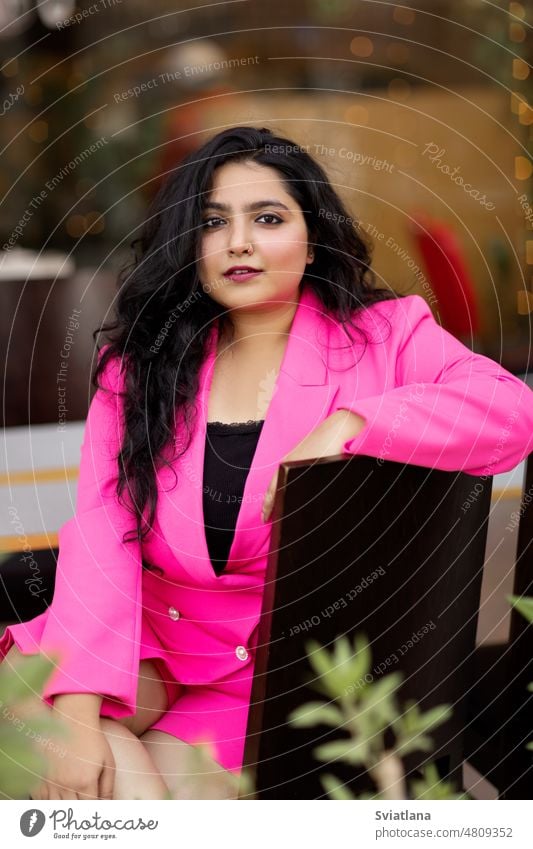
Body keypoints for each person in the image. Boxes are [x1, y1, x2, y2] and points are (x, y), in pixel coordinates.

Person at [2, 125, 533, 801]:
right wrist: (77, 716)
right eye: (212, 223)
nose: (238, 242)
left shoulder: (386, 337)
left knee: (134, 799)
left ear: (312, 236)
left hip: (261, 674)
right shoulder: (141, 364)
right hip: (135, 640)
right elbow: (104, 531)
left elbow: (509, 410)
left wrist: (352, 424)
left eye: (268, 218)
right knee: (44, 742)